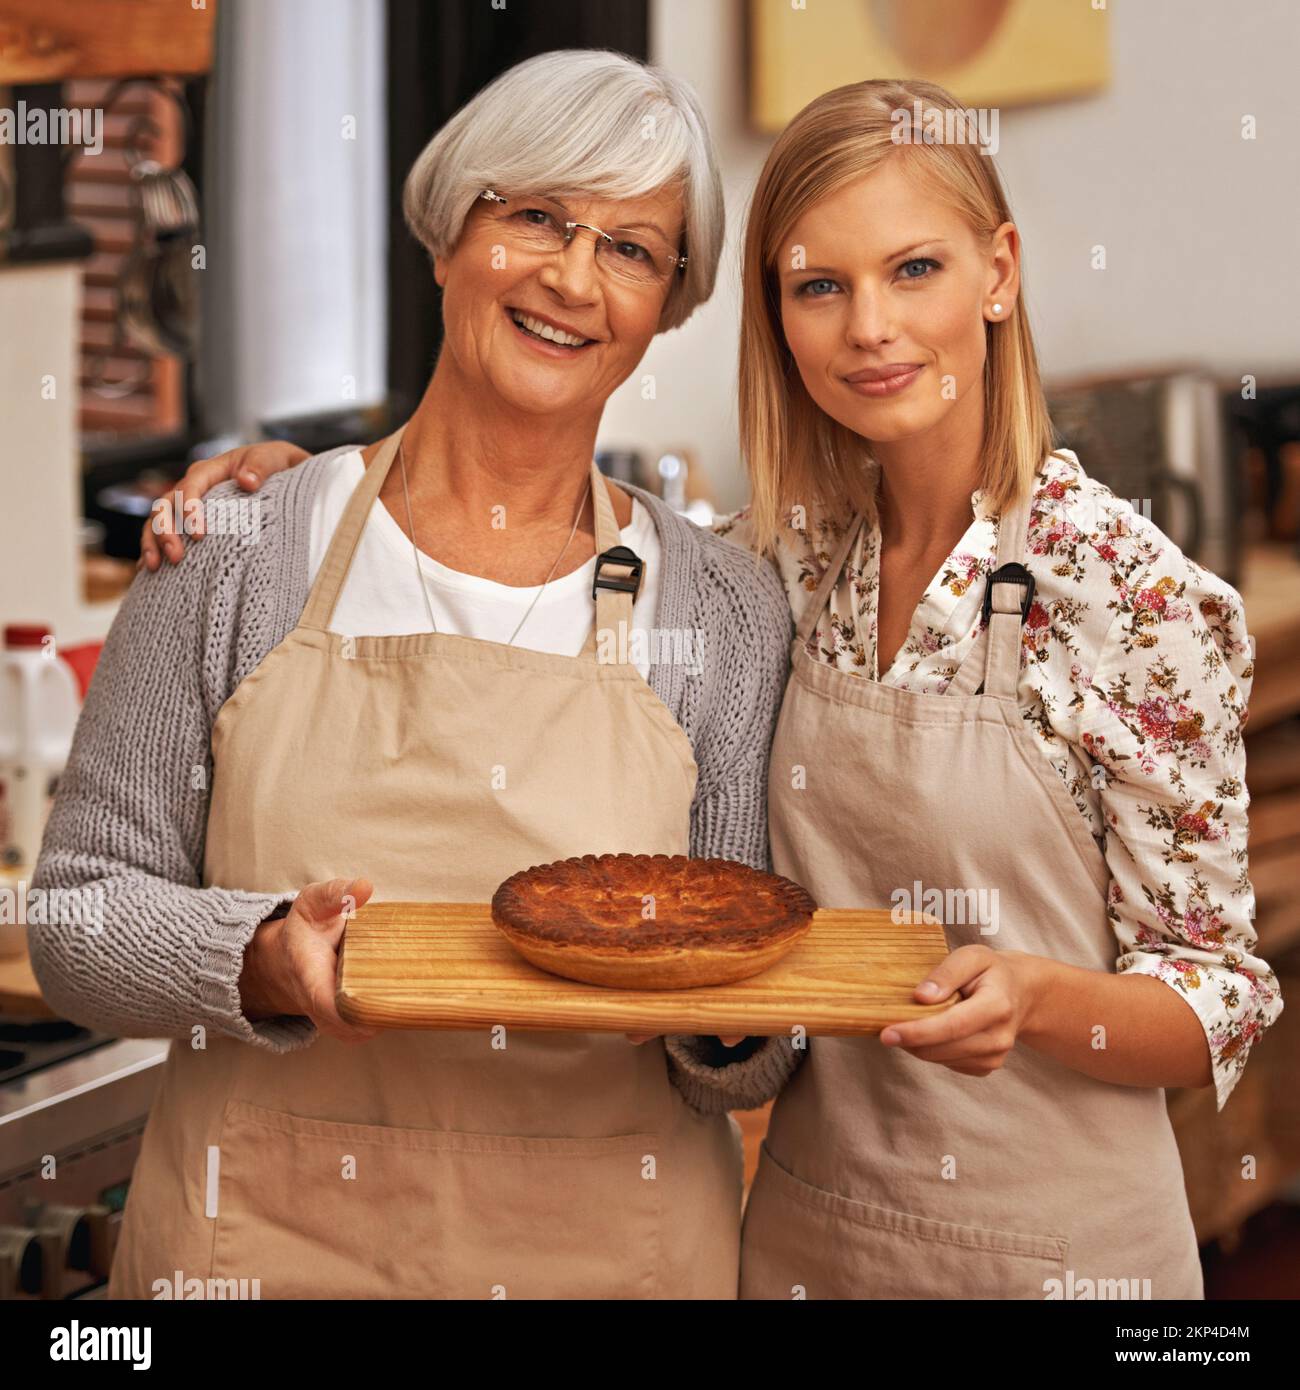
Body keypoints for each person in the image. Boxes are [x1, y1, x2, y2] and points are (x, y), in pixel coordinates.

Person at [31, 50, 796, 1301]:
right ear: (449, 235)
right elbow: (77, 919)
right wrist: (265, 956)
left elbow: (747, 1045)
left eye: (631, 249)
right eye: (535, 216)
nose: (570, 276)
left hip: (606, 1261)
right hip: (259, 1251)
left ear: (666, 303)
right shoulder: (239, 544)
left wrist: (733, 1018)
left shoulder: (720, 609)